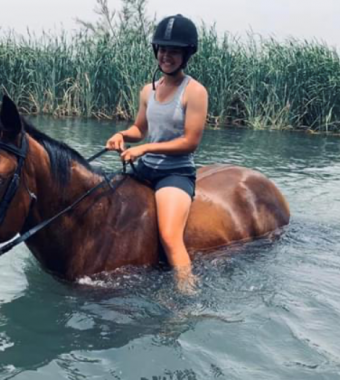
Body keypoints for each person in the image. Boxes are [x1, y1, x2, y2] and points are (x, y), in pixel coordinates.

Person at [105, 14, 208, 292]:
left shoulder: (195, 92)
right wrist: (122, 135)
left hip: (174, 173)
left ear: (186, 54)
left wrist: (146, 147)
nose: (166, 56)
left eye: (173, 51)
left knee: (170, 236)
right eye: (162, 49)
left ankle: (187, 294)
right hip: (144, 169)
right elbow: (139, 128)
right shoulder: (147, 91)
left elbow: (190, 142)